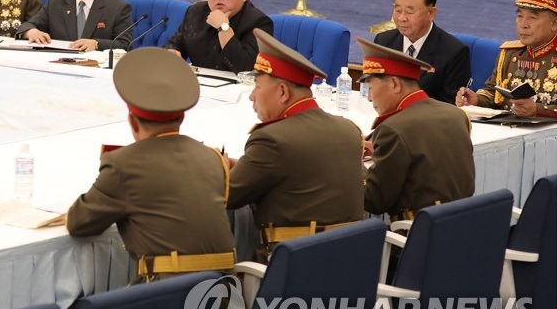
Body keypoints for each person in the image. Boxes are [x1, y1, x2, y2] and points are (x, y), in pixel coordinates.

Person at [66, 47, 236, 282]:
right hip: (226, 292)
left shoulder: (123, 164)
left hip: (167, 293)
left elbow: (79, 222)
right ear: (181, 117)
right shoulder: (213, 157)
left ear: (132, 122)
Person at [227, 29, 364, 261]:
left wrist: (213, 165)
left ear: (282, 92)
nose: (252, 96)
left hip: (291, 265)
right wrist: (246, 164)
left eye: (257, 86)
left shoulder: (272, 139)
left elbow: (227, 196)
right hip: (349, 262)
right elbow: (303, 168)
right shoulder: (348, 129)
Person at [358, 38, 475, 220]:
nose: (369, 98)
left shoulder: (393, 129)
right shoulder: (456, 114)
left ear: (395, 84)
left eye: (370, 88)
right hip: (462, 224)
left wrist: (352, 158)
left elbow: (374, 201)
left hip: (418, 231)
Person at [456, 0, 557, 117]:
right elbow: (492, 93)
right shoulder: (510, 53)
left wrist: (538, 110)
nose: (523, 24)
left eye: (532, 18)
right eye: (520, 16)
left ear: (554, 24)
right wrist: (476, 99)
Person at [373, 0, 470, 103]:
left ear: (431, 13)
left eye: (409, 12)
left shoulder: (454, 52)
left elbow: (450, 106)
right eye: (397, 10)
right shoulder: (383, 42)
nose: (401, 18)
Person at [164, 0, 273, 73]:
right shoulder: (195, 12)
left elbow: (245, 68)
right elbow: (175, 44)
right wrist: (172, 51)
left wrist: (223, 28)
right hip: (199, 81)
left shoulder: (259, 23)